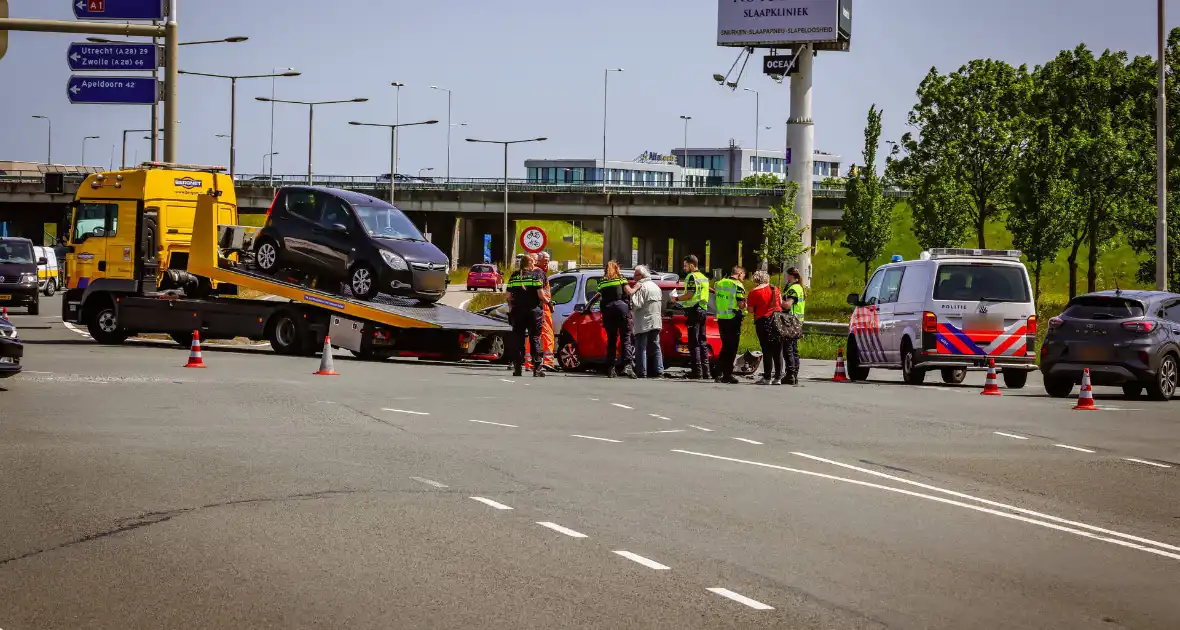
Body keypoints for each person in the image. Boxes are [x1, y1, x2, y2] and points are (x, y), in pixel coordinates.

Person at [505, 254, 546, 378]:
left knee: (518, 340)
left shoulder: (514, 276)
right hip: (533, 312)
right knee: (535, 339)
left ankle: (518, 369)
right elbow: (541, 295)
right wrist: (548, 302)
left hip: (517, 312)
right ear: (530, 264)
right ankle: (537, 369)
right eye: (533, 262)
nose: (534, 264)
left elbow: (507, 296)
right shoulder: (535, 276)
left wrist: (511, 307)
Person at [674, 254, 710, 379]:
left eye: (685, 265)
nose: (684, 268)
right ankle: (706, 372)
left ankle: (697, 372)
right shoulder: (704, 277)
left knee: (693, 343)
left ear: (692, 265)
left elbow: (689, 295)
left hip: (694, 312)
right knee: (702, 342)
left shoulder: (691, 277)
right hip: (703, 311)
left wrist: (676, 298)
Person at [597, 260, 635, 378]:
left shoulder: (602, 281)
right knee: (626, 338)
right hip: (621, 310)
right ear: (616, 268)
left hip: (608, 311)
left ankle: (611, 368)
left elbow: (599, 295)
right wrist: (637, 286)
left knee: (612, 340)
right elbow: (629, 292)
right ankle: (627, 366)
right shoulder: (620, 278)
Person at [746, 269, 783, 385]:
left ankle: (767, 377)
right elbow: (780, 303)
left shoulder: (753, 293)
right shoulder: (775, 288)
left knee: (767, 350)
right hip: (777, 320)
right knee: (778, 350)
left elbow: (750, 310)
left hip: (763, 322)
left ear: (756, 279)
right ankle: (778, 378)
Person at [712, 266, 747, 384]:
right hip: (733, 318)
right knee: (732, 348)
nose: (744, 278)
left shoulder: (719, 283)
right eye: (743, 275)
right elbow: (741, 304)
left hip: (722, 318)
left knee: (725, 347)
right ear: (740, 273)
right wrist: (746, 305)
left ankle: (718, 373)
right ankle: (727, 374)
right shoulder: (737, 285)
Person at [629, 265, 664, 379]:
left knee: (641, 346)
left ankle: (642, 371)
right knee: (655, 345)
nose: (634, 277)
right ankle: (659, 370)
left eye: (636, 274)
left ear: (641, 276)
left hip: (643, 321)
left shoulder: (641, 287)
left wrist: (632, 295)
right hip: (656, 320)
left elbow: (636, 305)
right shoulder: (656, 287)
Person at [781, 266, 807, 386]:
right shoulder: (799, 287)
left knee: (788, 349)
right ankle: (794, 374)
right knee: (793, 348)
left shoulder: (793, 289)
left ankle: (790, 374)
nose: (786, 277)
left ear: (792, 276)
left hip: (791, 321)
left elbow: (787, 305)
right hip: (797, 321)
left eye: (788, 275)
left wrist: (777, 300)